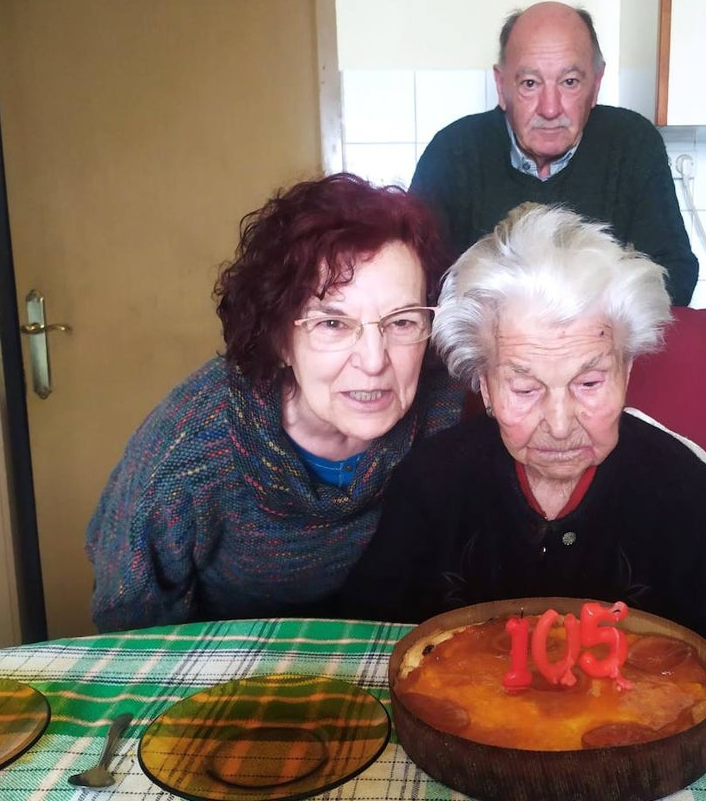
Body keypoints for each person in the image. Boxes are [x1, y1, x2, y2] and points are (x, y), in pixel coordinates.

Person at [341, 203, 706, 697]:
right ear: (486, 387)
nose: (559, 426)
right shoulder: (431, 483)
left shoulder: (689, 495)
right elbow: (372, 641)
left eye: (590, 381)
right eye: (525, 388)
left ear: (627, 373)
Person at [85, 173, 465, 632]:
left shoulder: (448, 413)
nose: (373, 361)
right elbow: (130, 626)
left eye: (402, 322)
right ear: (279, 338)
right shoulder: (189, 447)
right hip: (227, 673)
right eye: (332, 324)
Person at [409, 1, 699, 306]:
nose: (550, 108)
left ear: (596, 84)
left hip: (598, 344)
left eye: (570, 82)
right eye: (530, 83)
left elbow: (676, 274)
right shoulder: (452, 152)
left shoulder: (633, 143)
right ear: (501, 85)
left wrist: (585, 324)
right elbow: (416, 281)